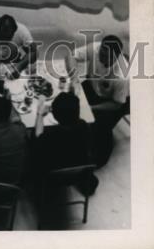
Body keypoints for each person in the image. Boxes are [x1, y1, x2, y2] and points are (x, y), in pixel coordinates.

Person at [68, 34, 130, 166]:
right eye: (101, 53)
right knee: (68, 101)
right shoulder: (95, 48)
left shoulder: (122, 75)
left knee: (99, 130)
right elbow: (70, 55)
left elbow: (116, 104)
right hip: (93, 86)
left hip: (113, 101)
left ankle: (94, 162)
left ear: (117, 56)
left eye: (105, 56)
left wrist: (91, 108)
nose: (100, 58)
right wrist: (74, 78)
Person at [33, 91, 96, 190]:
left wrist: (39, 114)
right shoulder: (84, 125)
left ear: (55, 115)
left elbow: (38, 136)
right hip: (78, 173)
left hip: (54, 176)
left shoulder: (53, 134)